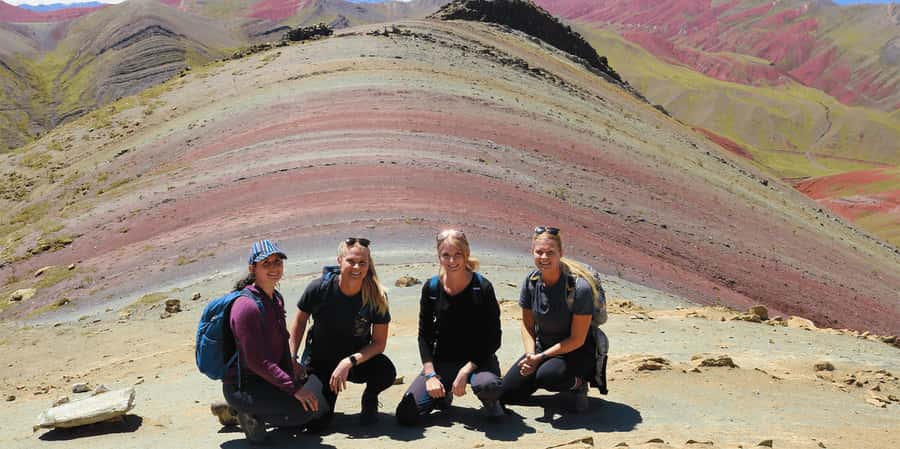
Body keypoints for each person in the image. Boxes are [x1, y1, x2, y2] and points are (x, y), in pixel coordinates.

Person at [219, 239, 329, 443]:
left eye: (277, 262)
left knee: (319, 409)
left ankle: (244, 409)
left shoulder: (275, 297)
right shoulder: (246, 307)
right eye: (266, 264)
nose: (274, 268)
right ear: (253, 268)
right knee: (303, 412)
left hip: (268, 378)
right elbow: (256, 361)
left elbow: (281, 340)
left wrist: (293, 368)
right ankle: (247, 413)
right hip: (245, 386)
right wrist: (294, 388)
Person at [395, 229, 504, 425]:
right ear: (439, 257)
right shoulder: (432, 289)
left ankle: (491, 402)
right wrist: (430, 374)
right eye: (446, 255)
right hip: (443, 361)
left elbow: (494, 338)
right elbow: (424, 336)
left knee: (488, 385)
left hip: (478, 361)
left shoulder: (482, 287)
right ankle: (442, 395)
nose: (452, 261)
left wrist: (465, 371)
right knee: (406, 414)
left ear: (466, 254)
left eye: (457, 255)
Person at [289, 237, 396, 429]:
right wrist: (292, 357)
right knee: (316, 423)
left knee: (386, 372)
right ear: (339, 261)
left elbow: (379, 343)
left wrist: (349, 361)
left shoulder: (377, 296)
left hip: (355, 362)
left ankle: (370, 399)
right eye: (351, 261)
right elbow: (299, 321)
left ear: (368, 264)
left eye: (362, 262)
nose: (357, 267)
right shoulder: (319, 288)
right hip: (320, 364)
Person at [500, 226, 603, 413]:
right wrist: (531, 355)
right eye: (539, 252)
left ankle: (578, 384)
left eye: (550, 253)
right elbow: (527, 324)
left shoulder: (579, 289)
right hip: (543, 346)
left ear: (561, 253)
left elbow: (577, 339)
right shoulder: (531, 281)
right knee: (507, 395)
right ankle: (542, 371)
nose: (544, 258)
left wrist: (540, 358)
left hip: (576, 352)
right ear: (532, 252)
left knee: (546, 377)